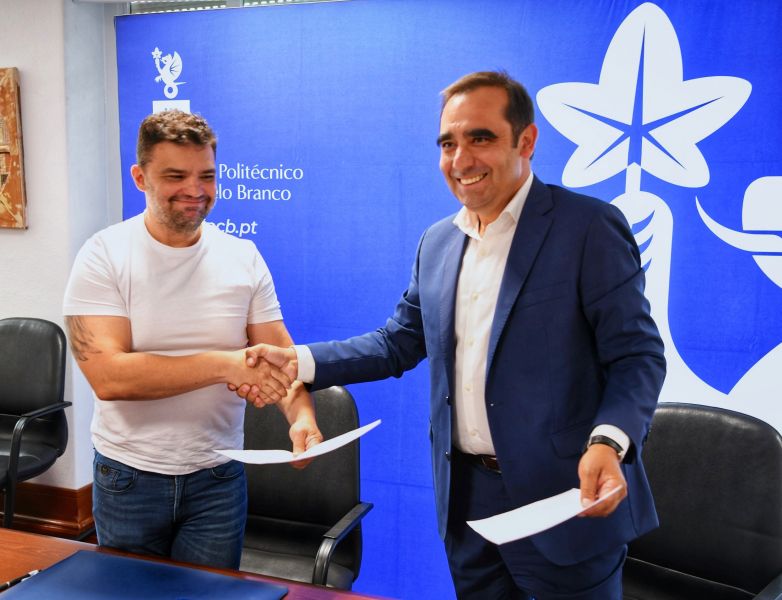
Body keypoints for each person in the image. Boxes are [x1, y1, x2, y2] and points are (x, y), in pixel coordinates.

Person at [240, 72, 666, 599]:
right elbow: (397, 342)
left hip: (566, 500)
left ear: (526, 141)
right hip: (468, 506)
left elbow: (637, 356)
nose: (461, 159)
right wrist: (296, 361)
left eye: (480, 137)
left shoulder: (588, 228)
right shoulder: (438, 242)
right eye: (448, 143)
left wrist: (608, 441)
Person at [62, 110, 322, 570]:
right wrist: (225, 364)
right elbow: (110, 378)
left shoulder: (242, 257)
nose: (195, 189)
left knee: (212, 596)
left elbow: (280, 361)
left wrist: (301, 418)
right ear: (140, 177)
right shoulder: (103, 256)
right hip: (128, 477)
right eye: (175, 176)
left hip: (218, 479)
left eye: (206, 176)